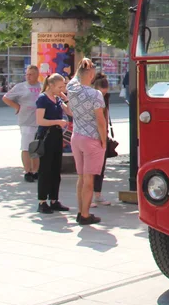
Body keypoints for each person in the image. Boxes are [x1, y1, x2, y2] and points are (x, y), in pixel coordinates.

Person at [66, 61, 106, 225]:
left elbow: (76, 77)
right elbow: (100, 121)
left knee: (81, 177)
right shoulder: (95, 94)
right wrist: (104, 141)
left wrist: (83, 64)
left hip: (77, 137)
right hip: (91, 139)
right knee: (89, 180)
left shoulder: (71, 88)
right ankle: (85, 214)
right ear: (90, 75)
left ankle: (80, 210)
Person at [35, 73, 71, 214]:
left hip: (56, 136)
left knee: (56, 169)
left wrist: (65, 99)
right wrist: (57, 122)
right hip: (46, 135)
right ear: (51, 85)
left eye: (63, 86)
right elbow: (40, 120)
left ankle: (54, 199)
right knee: (45, 169)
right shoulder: (43, 99)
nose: (62, 89)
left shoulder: (57, 99)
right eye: (60, 86)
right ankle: (42, 201)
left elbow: (70, 112)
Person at [3, 65, 43, 182]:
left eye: (31, 74)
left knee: (36, 147)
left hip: (39, 121)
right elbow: (6, 98)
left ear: (37, 75)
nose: (28, 76)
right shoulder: (20, 87)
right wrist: (17, 107)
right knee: (26, 147)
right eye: (27, 74)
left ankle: (35, 170)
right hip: (26, 121)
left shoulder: (41, 86)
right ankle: (28, 171)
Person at [91, 73, 113, 207]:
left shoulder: (106, 98)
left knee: (100, 167)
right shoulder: (91, 98)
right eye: (101, 93)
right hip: (92, 134)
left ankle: (97, 194)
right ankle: (89, 195)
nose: (103, 96)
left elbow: (105, 115)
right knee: (90, 168)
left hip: (102, 133)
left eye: (105, 94)